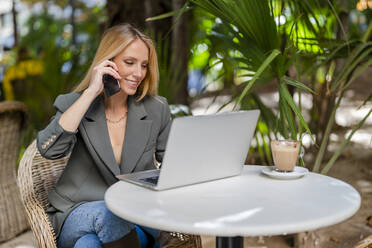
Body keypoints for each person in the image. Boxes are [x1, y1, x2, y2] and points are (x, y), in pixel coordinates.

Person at [37, 23, 171, 248]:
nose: (138, 73)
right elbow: (49, 149)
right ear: (108, 61)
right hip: (77, 212)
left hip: (132, 215)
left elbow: (174, 165)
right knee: (110, 213)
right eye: (130, 62)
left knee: (87, 245)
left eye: (144, 65)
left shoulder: (156, 109)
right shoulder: (76, 105)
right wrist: (90, 93)